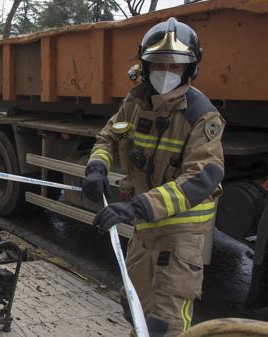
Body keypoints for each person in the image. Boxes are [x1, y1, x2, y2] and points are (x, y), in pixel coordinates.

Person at [83, 17, 225, 336]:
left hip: (180, 231)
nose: (166, 72)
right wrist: (96, 168)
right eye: (158, 64)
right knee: (134, 305)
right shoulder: (136, 102)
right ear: (145, 66)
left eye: (175, 66)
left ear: (190, 69)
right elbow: (108, 137)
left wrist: (138, 206)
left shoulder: (202, 116)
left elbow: (203, 176)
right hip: (146, 226)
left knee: (165, 322)